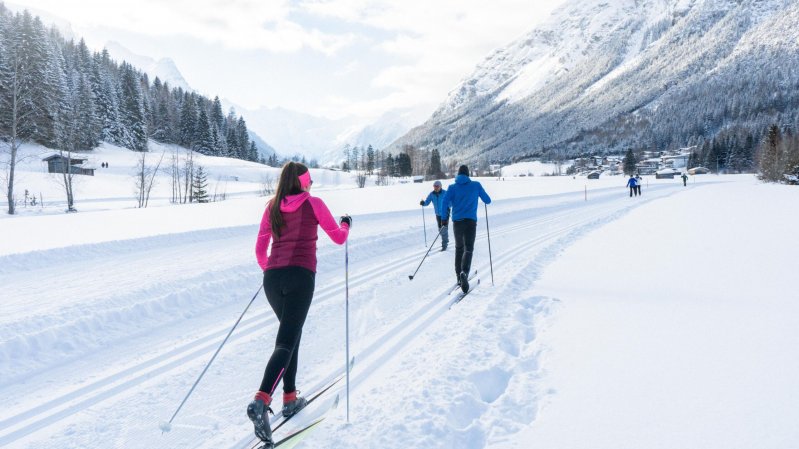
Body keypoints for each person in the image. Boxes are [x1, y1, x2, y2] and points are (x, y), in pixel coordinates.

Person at [248, 162, 350, 448]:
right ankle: (261, 399)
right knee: (286, 342)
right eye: (310, 181)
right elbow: (339, 237)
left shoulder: (272, 207)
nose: (312, 185)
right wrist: (346, 224)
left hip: (272, 279)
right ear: (303, 183)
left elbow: (259, 249)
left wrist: (271, 268)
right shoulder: (313, 203)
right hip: (300, 277)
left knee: (290, 337)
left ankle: (290, 397)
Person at [441, 165, 491, 293]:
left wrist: (444, 219)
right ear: (468, 174)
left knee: (459, 249)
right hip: (470, 222)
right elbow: (487, 200)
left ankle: (459, 276)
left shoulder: (452, 188)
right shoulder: (476, 185)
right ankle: (464, 272)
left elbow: (445, 203)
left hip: (457, 223)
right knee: (468, 249)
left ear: (458, 174)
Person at [420, 180, 450, 251]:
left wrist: (448, 207)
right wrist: (423, 203)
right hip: (438, 214)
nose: (436, 188)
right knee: (440, 229)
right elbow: (427, 202)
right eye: (434, 186)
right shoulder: (432, 194)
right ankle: (445, 239)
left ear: (440, 186)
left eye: (437, 186)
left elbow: (451, 202)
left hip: (445, 213)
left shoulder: (445, 193)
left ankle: (444, 245)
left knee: (444, 229)